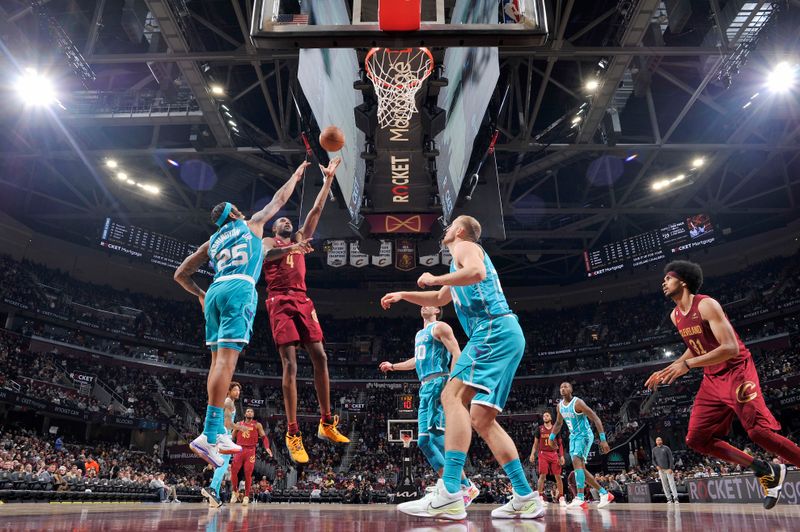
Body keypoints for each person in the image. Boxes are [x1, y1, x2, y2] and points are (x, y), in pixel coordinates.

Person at [381, 215, 544, 520]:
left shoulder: (465, 247)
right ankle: (525, 495)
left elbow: (477, 272)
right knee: (482, 419)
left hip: (492, 329)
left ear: (459, 231)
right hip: (507, 333)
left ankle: (451, 491)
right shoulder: (457, 268)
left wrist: (435, 277)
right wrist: (404, 295)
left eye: (449, 226)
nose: (445, 230)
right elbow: (439, 296)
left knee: (451, 397)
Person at [174, 161, 310, 469]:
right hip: (239, 290)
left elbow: (181, 274)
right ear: (235, 213)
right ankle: (210, 433)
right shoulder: (251, 224)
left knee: (215, 363)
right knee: (226, 363)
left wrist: (200, 293)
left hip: (215, 292)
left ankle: (213, 432)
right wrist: (297, 174)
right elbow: (279, 199)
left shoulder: (213, 241)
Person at [646, 260, 800, 509]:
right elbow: (694, 344)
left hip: (737, 371)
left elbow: (729, 348)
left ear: (683, 281)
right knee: (696, 439)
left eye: (668, 277)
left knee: (757, 432)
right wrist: (669, 368)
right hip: (712, 379)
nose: (663, 281)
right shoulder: (675, 316)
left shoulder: (706, 304)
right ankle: (765, 469)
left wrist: (687, 366)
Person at [262, 157, 349, 464]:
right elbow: (269, 255)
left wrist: (327, 180)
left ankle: (327, 422)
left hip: (302, 299)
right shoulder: (267, 242)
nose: (287, 221)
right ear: (275, 228)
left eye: (289, 221)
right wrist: (291, 249)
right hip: (279, 300)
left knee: (321, 356)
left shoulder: (299, 238)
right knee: (290, 364)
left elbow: (315, 211)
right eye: (282, 221)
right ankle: (293, 431)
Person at [378, 306, 480, 507]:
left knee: (438, 437)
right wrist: (393, 366)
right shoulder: (419, 334)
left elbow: (456, 353)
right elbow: (417, 360)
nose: (424, 305)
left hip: (438, 382)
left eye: (429, 303)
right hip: (424, 387)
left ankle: (461, 486)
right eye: (422, 303)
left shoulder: (440, 327)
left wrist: (452, 382)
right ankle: (459, 486)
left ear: (437, 309)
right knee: (424, 441)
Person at [550, 382, 613, 509]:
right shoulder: (560, 406)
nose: (563, 388)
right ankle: (604, 493)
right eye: (561, 387)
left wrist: (603, 439)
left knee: (576, 462)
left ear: (571, 389)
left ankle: (580, 498)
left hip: (584, 435)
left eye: (566, 386)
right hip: (573, 437)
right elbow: (558, 423)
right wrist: (551, 437)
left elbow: (595, 418)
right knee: (581, 469)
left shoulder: (578, 403)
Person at [202, 382, 243, 508]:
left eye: (239, 390)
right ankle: (212, 488)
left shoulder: (230, 402)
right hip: (224, 435)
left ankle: (215, 498)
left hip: (222, 435)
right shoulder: (228, 402)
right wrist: (239, 427)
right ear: (229, 391)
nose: (238, 392)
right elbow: (226, 423)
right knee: (222, 466)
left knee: (221, 465)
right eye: (235, 390)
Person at [230, 407, 273, 505]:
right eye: (248, 411)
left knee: (248, 473)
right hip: (239, 449)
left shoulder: (257, 425)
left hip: (250, 451)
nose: (249, 412)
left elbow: (264, 437)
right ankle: (234, 491)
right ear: (245, 414)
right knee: (234, 470)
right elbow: (231, 437)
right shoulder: (238, 424)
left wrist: (267, 447)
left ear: (253, 415)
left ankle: (246, 496)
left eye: (251, 411)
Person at [529, 411, 566, 507]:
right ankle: (540, 497)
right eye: (544, 415)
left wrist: (561, 455)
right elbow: (535, 444)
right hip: (543, 454)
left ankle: (561, 497)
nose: (545, 417)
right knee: (542, 476)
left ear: (551, 418)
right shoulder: (539, 429)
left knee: (558, 476)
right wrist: (532, 454)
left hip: (554, 454)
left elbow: (560, 444)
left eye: (547, 415)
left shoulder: (555, 429)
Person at [652, 437, 679, 504]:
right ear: (656, 442)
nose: (659, 441)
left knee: (672, 483)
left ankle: (675, 498)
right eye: (657, 440)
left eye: (660, 440)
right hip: (661, 470)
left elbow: (671, 459)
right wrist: (656, 466)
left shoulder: (666, 448)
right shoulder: (654, 450)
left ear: (662, 441)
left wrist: (671, 468)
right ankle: (669, 498)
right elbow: (653, 460)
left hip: (668, 469)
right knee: (664, 484)